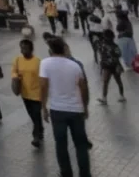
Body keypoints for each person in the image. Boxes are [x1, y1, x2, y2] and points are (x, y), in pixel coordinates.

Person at [40, 36, 91, 177]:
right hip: (76, 110)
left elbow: (43, 86)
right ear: (64, 48)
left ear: (50, 50)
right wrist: (85, 107)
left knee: (61, 144)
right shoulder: (75, 65)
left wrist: (44, 107)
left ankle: (66, 172)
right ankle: (85, 174)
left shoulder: (45, 63)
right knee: (81, 144)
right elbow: (83, 88)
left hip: (57, 110)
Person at [11, 39, 44, 148]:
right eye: (21, 48)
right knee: (33, 115)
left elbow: (43, 78)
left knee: (36, 114)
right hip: (25, 94)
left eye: (25, 48)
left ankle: (36, 137)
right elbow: (14, 71)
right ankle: (40, 130)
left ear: (31, 49)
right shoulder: (18, 60)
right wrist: (15, 77)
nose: (22, 50)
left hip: (36, 94)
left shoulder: (37, 62)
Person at [96, 29, 125, 104]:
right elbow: (119, 54)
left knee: (108, 81)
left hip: (111, 65)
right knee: (114, 81)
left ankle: (106, 98)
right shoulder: (111, 45)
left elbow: (118, 54)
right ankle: (119, 96)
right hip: (111, 65)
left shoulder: (106, 45)